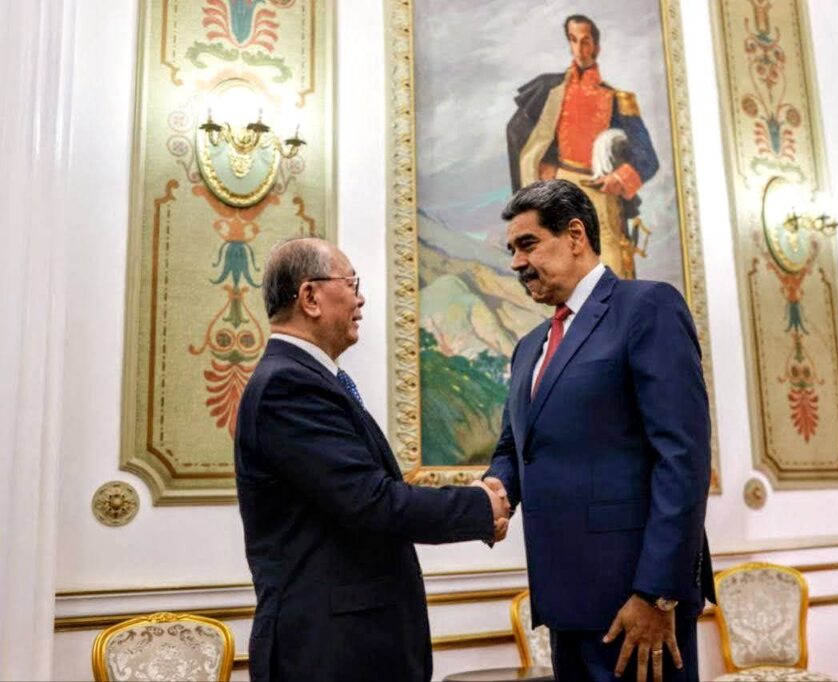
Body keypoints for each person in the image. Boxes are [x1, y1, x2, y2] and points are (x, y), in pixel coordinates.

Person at [234, 237, 510, 682]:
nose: (361, 298)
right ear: (310, 297)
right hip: (329, 652)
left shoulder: (309, 379)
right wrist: (480, 506)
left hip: (351, 646)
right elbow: (370, 502)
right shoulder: (289, 386)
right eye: (350, 283)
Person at [483, 180, 714, 682]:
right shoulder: (529, 346)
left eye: (527, 244)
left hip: (637, 602)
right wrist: (495, 488)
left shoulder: (646, 307)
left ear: (574, 235)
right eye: (511, 251)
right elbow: (515, 446)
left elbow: (682, 457)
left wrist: (657, 592)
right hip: (564, 601)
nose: (516, 263)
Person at [506, 13, 660, 279]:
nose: (580, 48)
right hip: (560, 189)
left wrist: (619, 179)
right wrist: (545, 163)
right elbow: (522, 131)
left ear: (596, 46)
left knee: (610, 269)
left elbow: (647, 158)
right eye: (574, 40)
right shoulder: (551, 90)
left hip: (601, 192)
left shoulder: (616, 99)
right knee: (560, 270)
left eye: (586, 41)